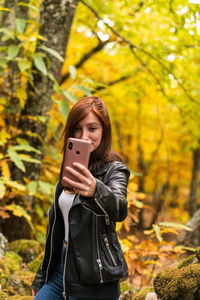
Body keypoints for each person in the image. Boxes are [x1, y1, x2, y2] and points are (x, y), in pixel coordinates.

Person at [31, 96, 130, 300]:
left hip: (94, 279)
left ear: (104, 131)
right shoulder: (68, 173)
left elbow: (120, 208)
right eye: (77, 128)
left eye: (92, 128)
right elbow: (57, 229)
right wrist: (42, 277)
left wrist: (96, 191)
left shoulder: (114, 169)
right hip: (60, 273)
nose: (84, 136)